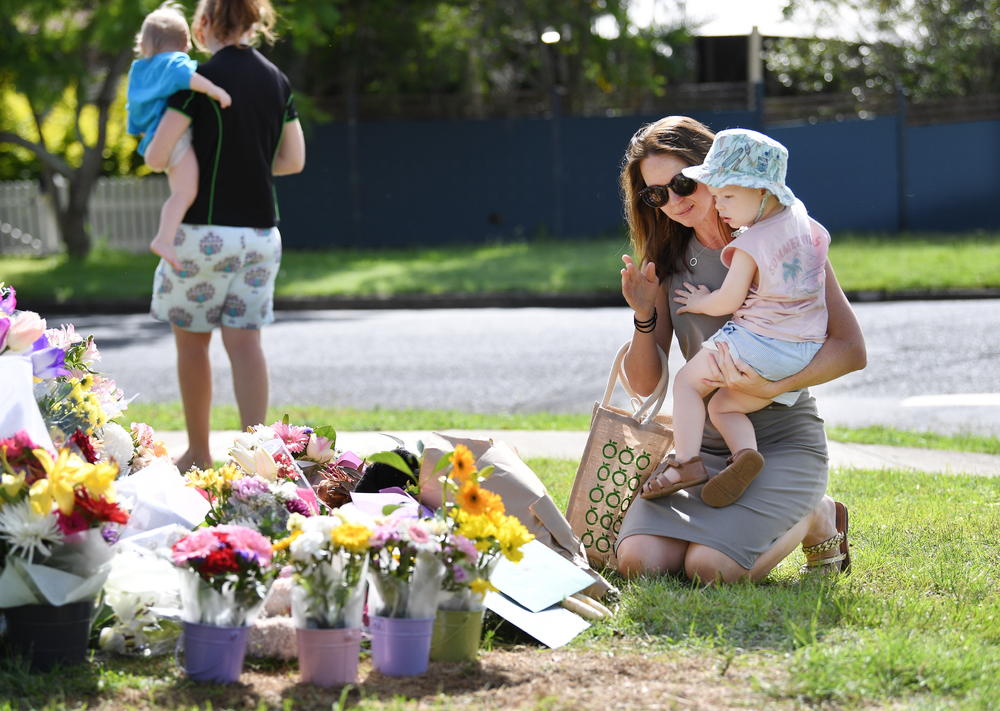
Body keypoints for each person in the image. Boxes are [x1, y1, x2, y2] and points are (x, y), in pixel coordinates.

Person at [616, 116, 865, 583]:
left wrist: (777, 383)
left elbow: (851, 349)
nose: (672, 201)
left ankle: (818, 514)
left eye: (682, 183)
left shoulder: (785, 240)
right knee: (639, 564)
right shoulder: (669, 260)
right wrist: (644, 316)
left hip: (779, 442)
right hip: (699, 451)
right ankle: (725, 507)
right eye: (655, 194)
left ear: (714, 172)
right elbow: (646, 385)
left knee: (710, 570)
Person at [144, 0, 306, 472]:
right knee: (246, 344)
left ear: (203, 24)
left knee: (193, 345)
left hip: (201, 235)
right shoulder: (278, 80)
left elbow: (157, 154)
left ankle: (199, 451)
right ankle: (255, 459)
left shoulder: (192, 80)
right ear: (256, 21)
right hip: (260, 235)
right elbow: (294, 160)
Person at [641, 128, 830, 508]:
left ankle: (686, 462)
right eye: (658, 194)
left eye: (726, 194)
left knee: (687, 382)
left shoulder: (749, 242)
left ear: (760, 193)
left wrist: (700, 301)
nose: (720, 203)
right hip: (800, 349)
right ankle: (745, 457)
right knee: (723, 405)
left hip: (757, 350)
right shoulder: (805, 230)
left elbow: (729, 300)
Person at [126, 1, 233, 271]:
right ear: (184, 43)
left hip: (153, 138)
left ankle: (170, 236)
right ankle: (163, 239)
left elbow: (134, 110)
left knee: (178, 191)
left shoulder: (140, 69)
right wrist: (215, 91)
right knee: (185, 193)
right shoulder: (173, 63)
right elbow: (188, 77)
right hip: (175, 138)